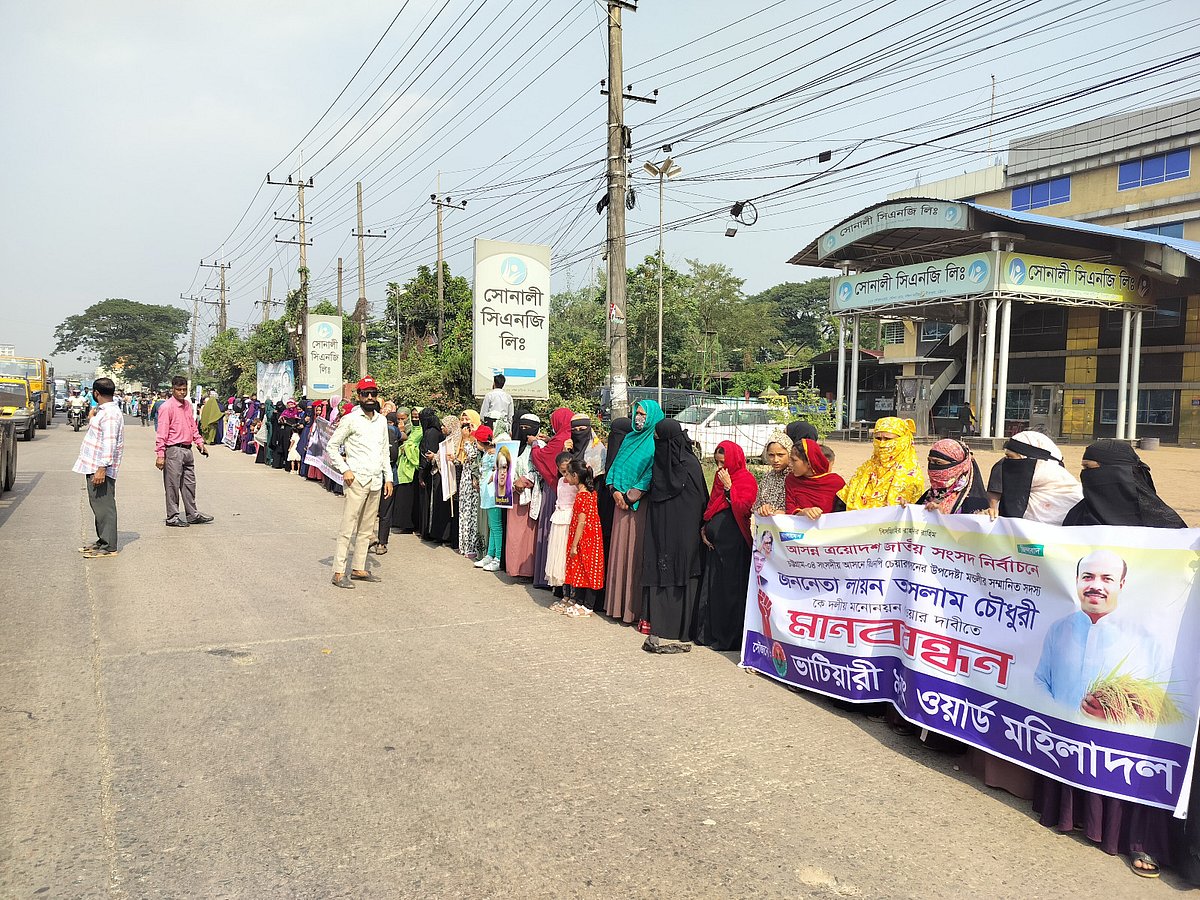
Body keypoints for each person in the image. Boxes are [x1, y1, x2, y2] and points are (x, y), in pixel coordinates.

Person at [1035, 550, 1174, 878]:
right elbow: (1040, 681)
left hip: (1119, 753)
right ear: (1077, 582)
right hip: (1065, 744)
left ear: (1122, 584)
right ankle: (1071, 815)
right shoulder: (1059, 629)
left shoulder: (1145, 639)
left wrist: (1116, 711)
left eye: (1107, 579)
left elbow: (1162, 705)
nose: (1095, 586)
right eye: (1088, 577)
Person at [641, 418, 707, 654]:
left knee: (683, 566)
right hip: (661, 527)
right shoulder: (661, 464)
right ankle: (658, 622)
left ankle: (681, 626)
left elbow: (699, 500)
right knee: (662, 563)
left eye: (660, 439)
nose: (656, 443)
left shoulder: (690, 466)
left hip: (685, 531)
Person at [326, 377, 393, 589]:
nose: (370, 397)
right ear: (359, 396)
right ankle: (338, 572)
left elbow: (384, 451)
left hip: (375, 480)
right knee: (348, 528)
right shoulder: (351, 419)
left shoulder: (381, 421)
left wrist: (388, 478)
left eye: (373, 393)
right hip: (356, 479)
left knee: (366, 528)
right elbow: (331, 447)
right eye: (366, 394)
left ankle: (358, 568)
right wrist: (345, 469)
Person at [604, 400, 663, 625]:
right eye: (636, 413)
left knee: (634, 555)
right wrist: (614, 491)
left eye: (642, 414)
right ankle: (616, 606)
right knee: (620, 554)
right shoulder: (629, 439)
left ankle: (631, 609)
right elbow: (615, 468)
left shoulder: (654, 443)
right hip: (620, 505)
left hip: (638, 507)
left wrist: (631, 495)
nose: (638, 418)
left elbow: (650, 474)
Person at [695, 441, 758, 651]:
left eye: (724, 462)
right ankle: (709, 634)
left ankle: (728, 638)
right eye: (717, 463)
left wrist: (730, 487)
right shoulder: (718, 479)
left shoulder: (746, 479)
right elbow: (713, 506)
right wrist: (705, 527)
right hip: (716, 545)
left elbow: (744, 509)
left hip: (734, 544)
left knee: (730, 591)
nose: (721, 468)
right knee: (713, 590)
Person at [1063, 439, 1186, 528]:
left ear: (1114, 472)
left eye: (1088, 467)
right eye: (1084, 468)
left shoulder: (1163, 522)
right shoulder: (1077, 516)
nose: (1085, 474)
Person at [72, 378, 125, 559]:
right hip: (93, 464)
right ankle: (102, 540)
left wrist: (102, 468)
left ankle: (109, 546)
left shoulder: (110, 414)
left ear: (96, 393)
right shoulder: (104, 412)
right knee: (98, 505)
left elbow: (109, 442)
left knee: (104, 506)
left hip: (100, 466)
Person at [155, 376, 214, 528]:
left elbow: (192, 426)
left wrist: (200, 442)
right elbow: (161, 432)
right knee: (172, 485)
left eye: (184, 390)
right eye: (178, 390)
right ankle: (172, 516)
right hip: (173, 449)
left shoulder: (188, 405)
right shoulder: (166, 407)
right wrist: (160, 454)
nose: (182, 392)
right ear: (172, 389)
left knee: (189, 484)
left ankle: (192, 514)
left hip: (187, 450)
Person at [986, 431, 1082, 524]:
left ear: (1036, 462)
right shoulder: (1014, 495)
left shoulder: (1074, 500)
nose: (1006, 463)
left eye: (1010, 457)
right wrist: (987, 517)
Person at [837, 416, 925, 510]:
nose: (882, 444)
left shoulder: (911, 474)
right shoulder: (867, 468)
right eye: (878, 438)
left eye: (887, 439)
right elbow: (844, 499)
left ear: (903, 440)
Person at [531, 408, 574, 588]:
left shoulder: (560, 439)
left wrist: (534, 445)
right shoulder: (569, 435)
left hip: (556, 490)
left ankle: (548, 577)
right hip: (568, 492)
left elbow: (542, 457)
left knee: (552, 531)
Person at [563, 459, 604, 619]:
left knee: (588, 569)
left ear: (575, 475)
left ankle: (588, 606)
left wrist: (574, 544)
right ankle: (580, 602)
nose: (565, 477)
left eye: (567, 473)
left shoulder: (582, 496)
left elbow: (581, 522)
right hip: (589, 536)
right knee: (582, 568)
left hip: (585, 537)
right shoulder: (591, 493)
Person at [505, 413, 542, 577]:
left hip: (530, 495)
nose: (525, 431)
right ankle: (514, 568)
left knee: (528, 534)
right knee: (513, 533)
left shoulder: (538, 445)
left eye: (529, 428)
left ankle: (527, 570)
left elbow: (541, 469)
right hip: (513, 494)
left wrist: (525, 481)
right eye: (522, 427)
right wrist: (512, 482)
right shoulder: (512, 447)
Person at [917, 439, 989, 514]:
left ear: (958, 466)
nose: (932, 467)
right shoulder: (930, 495)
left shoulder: (974, 502)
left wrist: (943, 516)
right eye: (929, 461)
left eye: (938, 462)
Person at [546, 452, 579, 605]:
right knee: (559, 559)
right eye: (562, 471)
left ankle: (573, 596)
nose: (565, 474)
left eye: (568, 471)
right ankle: (564, 595)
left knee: (570, 558)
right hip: (559, 519)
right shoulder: (560, 481)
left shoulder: (577, 483)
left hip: (570, 520)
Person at [785, 440, 845, 518]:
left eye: (794, 460)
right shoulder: (791, 480)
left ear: (809, 463)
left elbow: (843, 513)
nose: (789, 464)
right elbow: (790, 508)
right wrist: (803, 512)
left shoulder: (836, 482)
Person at [371, 411, 403, 555]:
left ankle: (370, 537)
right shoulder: (393, 430)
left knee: (368, 510)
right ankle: (382, 543)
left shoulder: (371, 430)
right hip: (391, 476)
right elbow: (404, 436)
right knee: (386, 511)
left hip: (373, 475)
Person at [473, 426, 504, 572]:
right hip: (487, 493)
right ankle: (490, 554)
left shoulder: (493, 454)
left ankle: (498, 557)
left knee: (496, 526)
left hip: (494, 494)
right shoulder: (486, 453)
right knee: (492, 526)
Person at [393, 407, 424, 534]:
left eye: (418, 417)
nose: (415, 420)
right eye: (414, 417)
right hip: (403, 465)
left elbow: (416, 447)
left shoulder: (421, 431)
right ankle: (402, 523)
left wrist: (407, 447)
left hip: (412, 466)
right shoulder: (411, 430)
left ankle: (410, 525)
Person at [457, 410, 483, 559]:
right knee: (464, 511)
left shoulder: (475, 437)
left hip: (473, 479)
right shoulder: (462, 438)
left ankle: (472, 546)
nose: (465, 422)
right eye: (463, 419)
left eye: (468, 420)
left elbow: (473, 456)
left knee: (471, 512)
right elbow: (463, 459)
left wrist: (468, 439)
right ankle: (464, 545)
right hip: (465, 478)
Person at [417, 408, 445, 540]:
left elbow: (426, 455)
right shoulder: (438, 432)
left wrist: (421, 473)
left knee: (429, 503)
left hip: (430, 471)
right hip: (436, 470)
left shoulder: (429, 433)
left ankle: (428, 532)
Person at [754, 429, 791, 515]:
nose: (775, 460)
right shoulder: (767, 477)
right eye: (771, 455)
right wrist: (763, 509)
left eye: (780, 455)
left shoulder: (794, 477)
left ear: (789, 453)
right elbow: (756, 505)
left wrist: (784, 513)